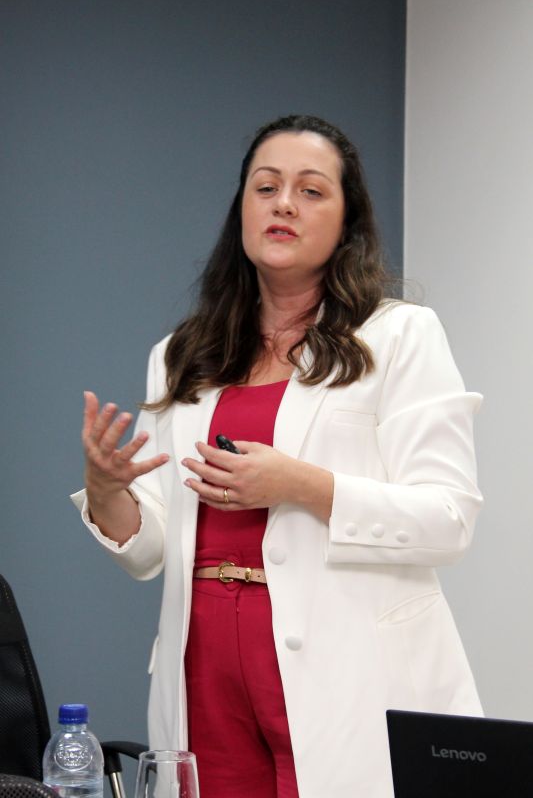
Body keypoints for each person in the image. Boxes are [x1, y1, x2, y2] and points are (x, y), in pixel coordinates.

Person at [72, 115, 483, 798]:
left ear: (347, 222)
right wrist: (107, 488)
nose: (284, 203)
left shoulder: (400, 335)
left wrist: (300, 484)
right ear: (242, 209)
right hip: (205, 669)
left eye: (310, 190)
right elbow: (149, 550)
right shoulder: (181, 354)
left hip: (348, 668)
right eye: (265, 187)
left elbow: (448, 519)